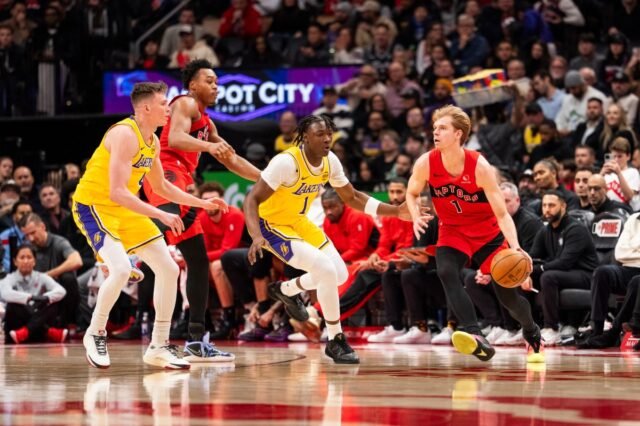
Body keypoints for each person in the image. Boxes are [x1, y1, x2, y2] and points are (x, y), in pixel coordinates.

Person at [72, 81, 228, 370]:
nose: (168, 109)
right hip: (95, 206)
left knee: (168, 269)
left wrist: (203, 204)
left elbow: (162, 186)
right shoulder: (124, 134)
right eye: (163, 104)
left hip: (125, 209)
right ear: (145, 108)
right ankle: (95, 332)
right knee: (120, 270)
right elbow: (117, 192)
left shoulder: (153, 141)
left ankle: (158, 345)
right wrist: (162, 215)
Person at [243, 115, 420, 364]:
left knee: (340, 274)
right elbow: (251, 199)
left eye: (329, 134)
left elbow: (352, 197)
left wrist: (396, 211)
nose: (327, 139)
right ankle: (336, 339)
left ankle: (286, 290)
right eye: (320, 134)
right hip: (272, 225)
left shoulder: (330, 161)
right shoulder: (286, 162)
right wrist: (256, 235)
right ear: (305, 138)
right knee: (325, 269)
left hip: (299, 222)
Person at [406, 105, 544, 364]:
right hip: (452, 230)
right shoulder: (426, 162)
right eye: (434, 128)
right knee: (446, 271)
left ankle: (530, 328)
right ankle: (475, 333)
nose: (435, 133)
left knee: (508, 297)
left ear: (458, 134)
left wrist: (515, 246)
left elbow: (502, 214)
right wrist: (415, 215)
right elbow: (411, 193)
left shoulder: (479, 166)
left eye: (442, 128)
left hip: (487, 233)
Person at [141, 59, 259, 361]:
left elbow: (232, 160)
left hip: (182, 182)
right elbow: (174, 138)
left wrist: (266, 178)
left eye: (217, 82)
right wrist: (208, 148)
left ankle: (195, 341)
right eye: (209, 81)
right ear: (193, 85)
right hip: (165, 174)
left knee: (198, 262)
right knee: (166, 223)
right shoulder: (185, 103)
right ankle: (121, 247)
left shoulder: (208, 124)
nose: (215, 86)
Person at [1, 244, 68, 344]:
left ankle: (26, 331)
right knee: (13, 305)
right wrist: (31, 298)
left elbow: (61, 291)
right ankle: (48, 331)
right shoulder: (9, 278)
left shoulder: (41, 277)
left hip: (25, 331)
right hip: (16, 327)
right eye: (22, 257)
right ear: (15, 261)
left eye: (29, 257)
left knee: (52, 303)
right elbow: (6, 294)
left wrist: (45, 297)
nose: (26, 261)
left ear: (34, 261)